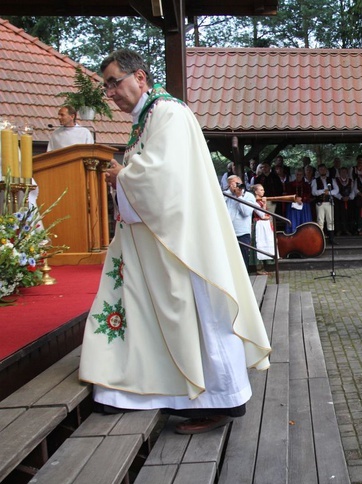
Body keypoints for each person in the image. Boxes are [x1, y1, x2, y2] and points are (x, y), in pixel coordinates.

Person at [79, 49, 271, 435]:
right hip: (156, 240)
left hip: (183, 244)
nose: (111, 92)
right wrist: (125, 175)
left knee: (199, 315)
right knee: (146, 315)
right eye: (107, 87)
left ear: (140, 77)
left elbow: (163, 178)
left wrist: (122, 175)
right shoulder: (146, 119)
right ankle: (132, 393)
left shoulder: (168, 113)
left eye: (115, 82)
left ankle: (221, 398)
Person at [225, 175, 256, 272]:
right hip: (228, 231)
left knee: (243, 257)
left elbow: (246, 212)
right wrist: (231, 192)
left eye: (238, 183)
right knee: (229, 258)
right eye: (233, 183)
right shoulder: (225, 195)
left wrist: (239, 197)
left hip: (242, 232)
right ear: (229, 185)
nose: (237, 186)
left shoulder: (249, 196)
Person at [249, 183, 275, 275]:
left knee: (265, 243)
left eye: (263, 189)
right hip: (259, 225)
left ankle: (264, 267)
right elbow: (262, 214)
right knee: (259, 244)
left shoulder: (260, 201)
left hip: (264, 225)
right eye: (260, 190)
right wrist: (264, 204)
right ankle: (259, 268)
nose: (263, 191)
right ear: (256, 191)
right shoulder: (255, 202)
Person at [311, 163, 337, 242]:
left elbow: (336, 190)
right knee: (320, 221)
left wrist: (328, 192)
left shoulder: (332, 179)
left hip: (329, 202)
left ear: (326, 170)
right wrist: (323, 191)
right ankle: (320, 239)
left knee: (330, 220)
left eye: (324, 169)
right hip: (320, 203)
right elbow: (314, 192)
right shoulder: (315, 180)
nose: (322, 170)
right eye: (321, 169)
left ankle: (331, 239)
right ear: (318, 171)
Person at [284, 168, 313, 234]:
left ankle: (305, 233)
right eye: (297, 174)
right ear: (295, 175)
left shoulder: (306, 185)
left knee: (304, 221)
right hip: (293, 205)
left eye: (300, 174)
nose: (299, 176)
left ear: (303, 175)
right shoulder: (290, 184)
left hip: (304, 205)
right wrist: (296, 199)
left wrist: (302, 199)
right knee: (294, 220)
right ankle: (293, 232)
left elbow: (309, 194)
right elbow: (288, 194)